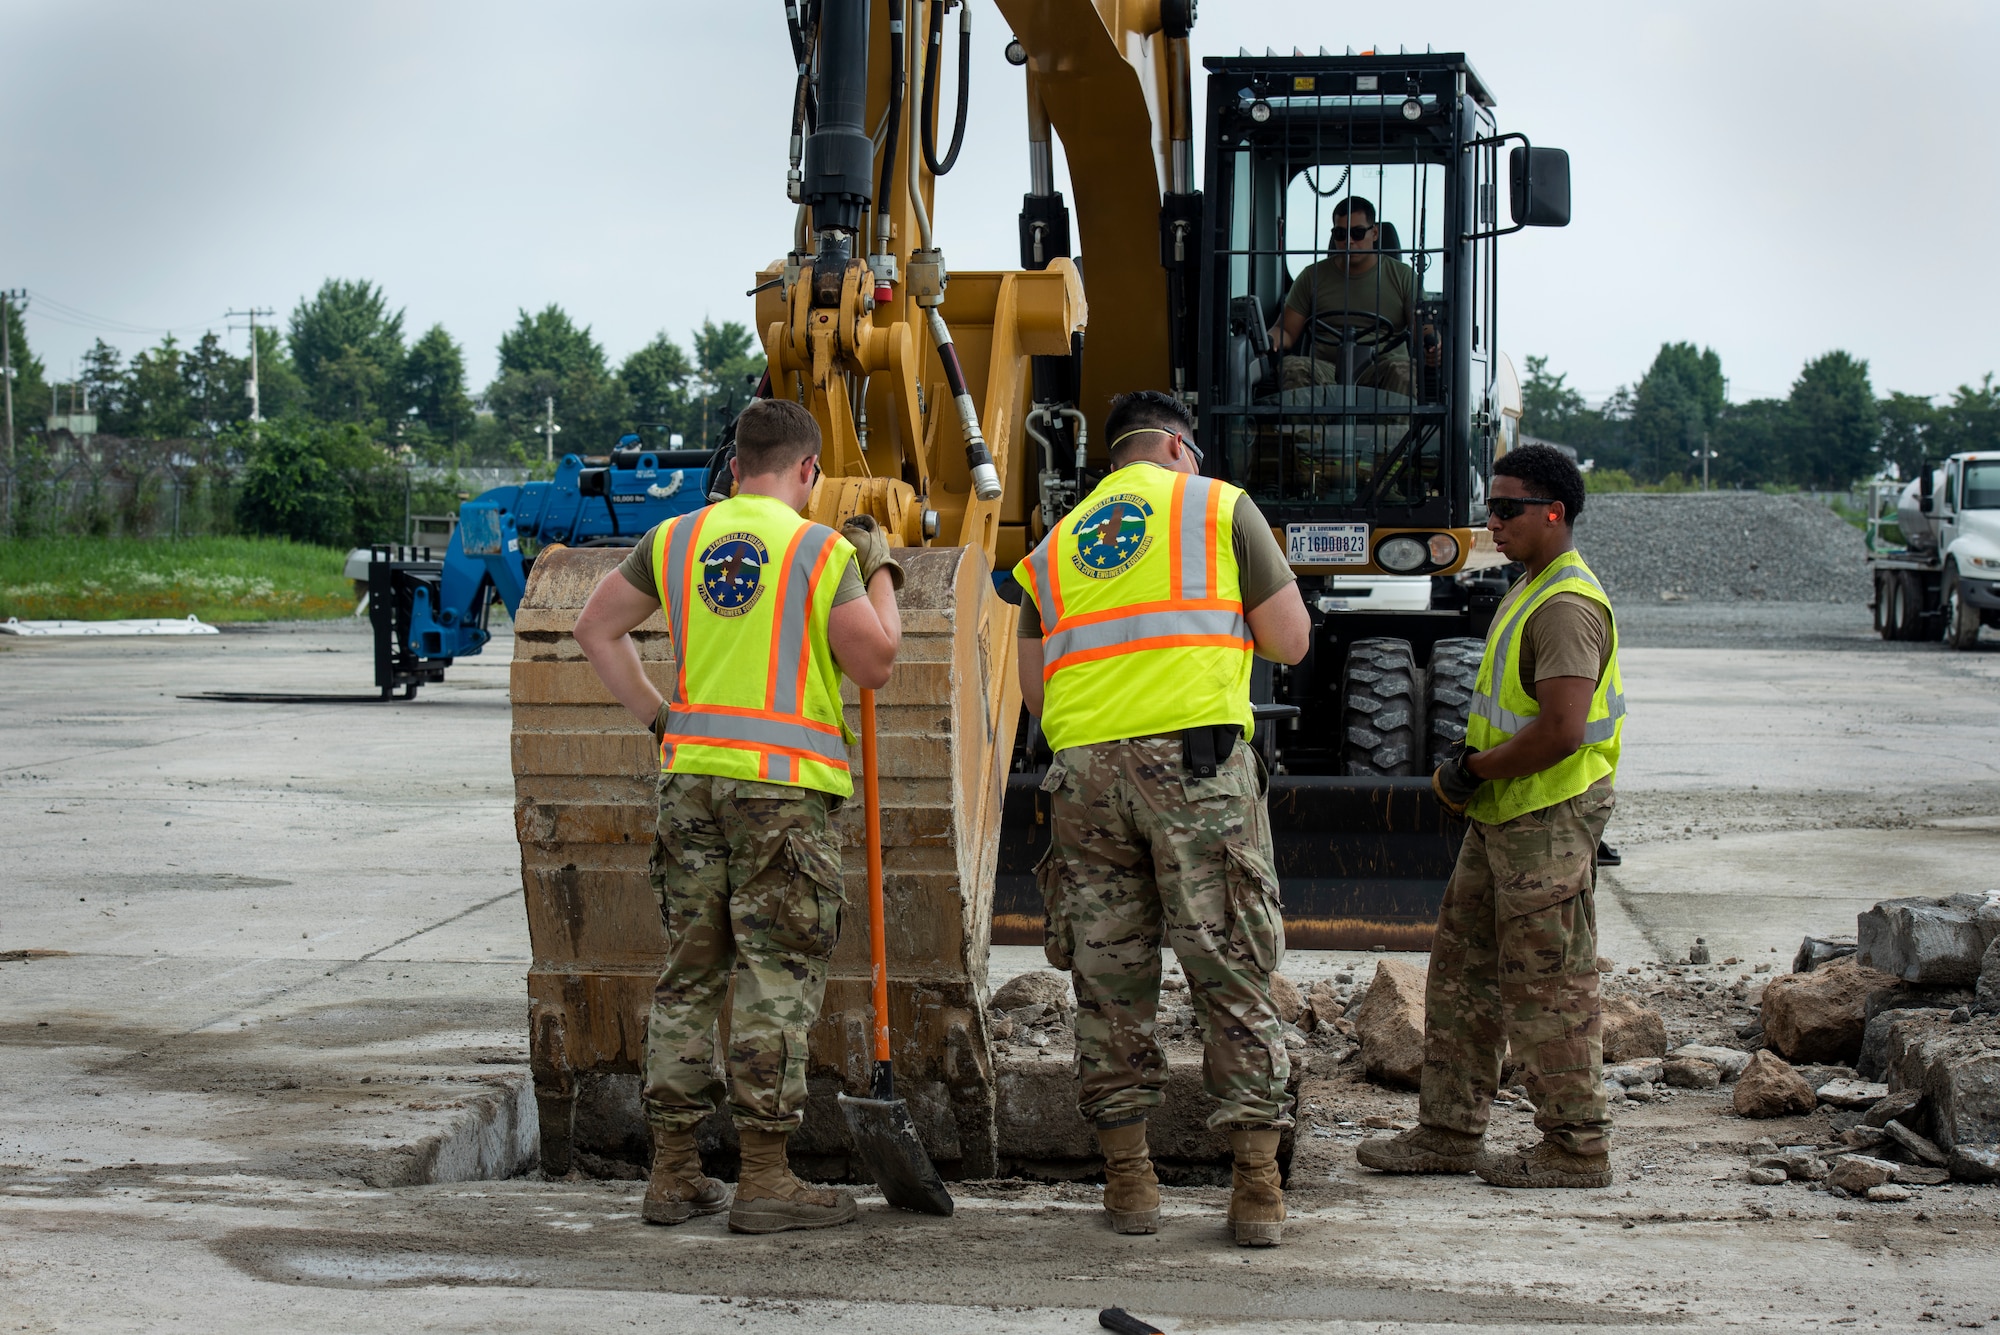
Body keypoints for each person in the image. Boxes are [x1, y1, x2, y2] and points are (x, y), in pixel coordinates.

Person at [571, 397, 904, 1233]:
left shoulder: (676, 538)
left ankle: (674, 1173)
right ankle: (763, 1177)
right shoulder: (820, 549)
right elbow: (877, 662)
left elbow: (594, 628)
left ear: (731, 469)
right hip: (782, 794)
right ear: (806, 471)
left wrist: (661, 719)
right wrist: (881, 573)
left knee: (691, 972)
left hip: (689, 785)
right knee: (775, 972)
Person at [1012, 390, 1312, 1245]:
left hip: (1083, 781)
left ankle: (1130, 1185)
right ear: (1181, 445)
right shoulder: (1219, 505)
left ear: (1114, 455)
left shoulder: (1055, 544)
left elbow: (1039, 691)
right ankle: (1254, 1189)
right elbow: (1289, 640)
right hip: (1197, 771)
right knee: (1230, 973)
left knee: (1107, 984)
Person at [1356, 443, 1626, 1189]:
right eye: (1491, 507)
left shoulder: (1566, 604)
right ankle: (1448, 1132)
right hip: (1506, 813)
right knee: (1464, 975)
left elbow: (1562, 729)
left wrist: (1474, 768)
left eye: (1508, 509)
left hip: (1545, 814)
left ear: (1554, 512)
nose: (1494, 521)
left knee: (1549, 986)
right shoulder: (1530, 585)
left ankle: (1576, 1145)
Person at [1265, 196, 1422, 395]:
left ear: (1374, 233)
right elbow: (1286, 330)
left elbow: (1422, 329)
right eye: (1340, 233)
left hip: (1382, 370)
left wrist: (1432, 343)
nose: (1348, 241)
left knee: (1405, 371)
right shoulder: (1311, 277)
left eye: (1357, 233)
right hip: (1327, 370)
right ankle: (1307, 428)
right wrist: (1269, 339)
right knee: (1293, 367)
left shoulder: (1403, 277)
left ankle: (1395, 428)